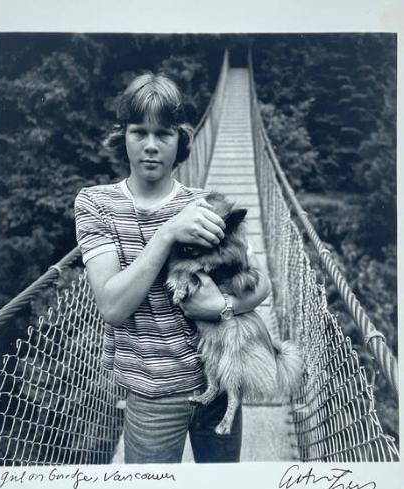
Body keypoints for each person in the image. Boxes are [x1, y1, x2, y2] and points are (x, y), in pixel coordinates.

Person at [74, 73, 270, 464]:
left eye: (163, 134)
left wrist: (222, 308)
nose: (150, 146)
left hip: (215, 383)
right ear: (123, 136)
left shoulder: (206, 204)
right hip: (150, 397)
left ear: (181, 139)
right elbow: (112, 307)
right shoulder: (96, 204)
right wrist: (167, 234)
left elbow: (261, 283)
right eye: (138, 132)